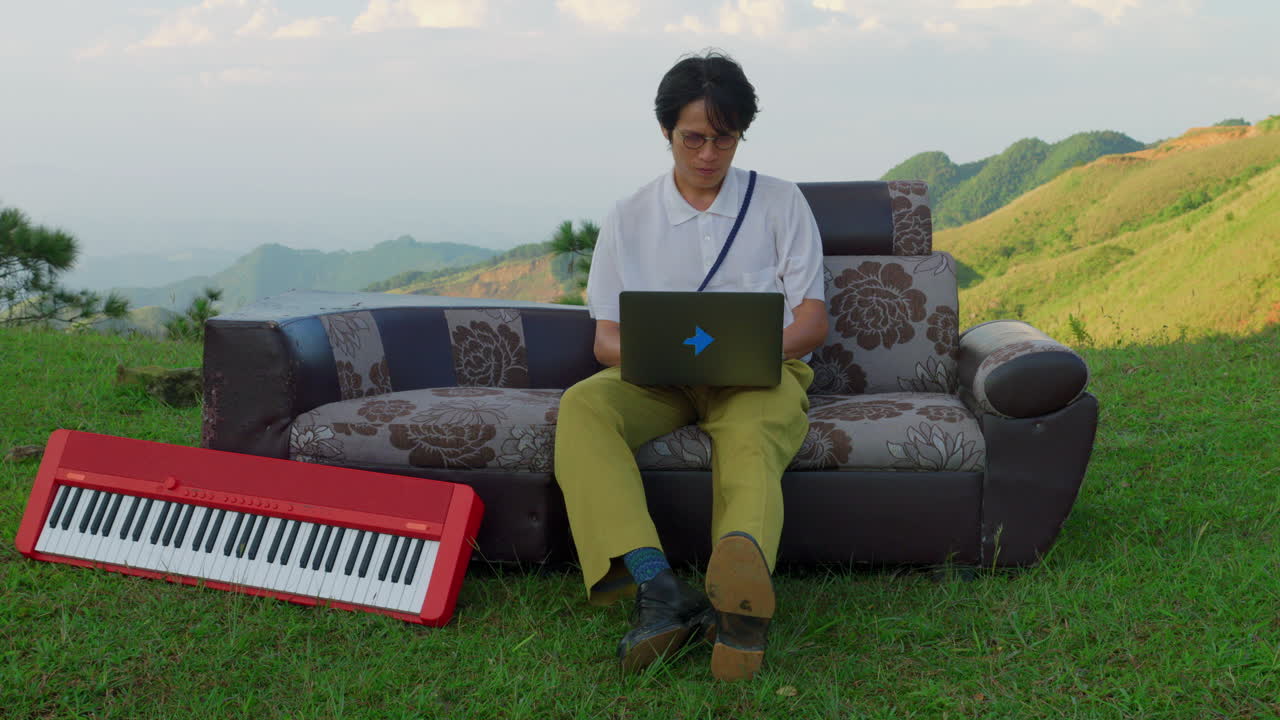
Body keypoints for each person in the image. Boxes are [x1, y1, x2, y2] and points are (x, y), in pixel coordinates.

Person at [552, 50, 828, 682]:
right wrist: (674, 355)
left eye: (723, 139)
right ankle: (658, 588)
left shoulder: (781, 204)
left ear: (740, 136)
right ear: (666, 133)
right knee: (584, 405)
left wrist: (746, 352)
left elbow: (811, 323)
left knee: (752, 436)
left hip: (761, 374)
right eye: (693, 138)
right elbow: (606, 342)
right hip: (661, 379)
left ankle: (741, 607)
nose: (708, 155)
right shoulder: (629, 216)